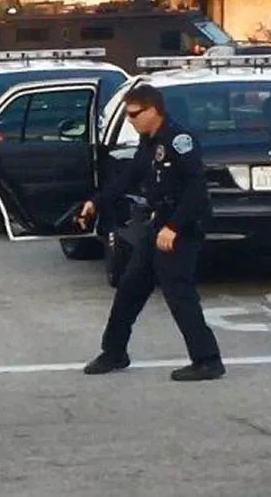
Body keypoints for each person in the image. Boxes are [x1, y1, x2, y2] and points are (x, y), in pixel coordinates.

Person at [76, 84, 225, 382]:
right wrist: (96, 201)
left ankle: (207, 359)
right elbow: (130, 177)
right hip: (157, 225)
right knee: (130, 288)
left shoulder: (179, 140)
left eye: (134, 114)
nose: (130, 121)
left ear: (153, 109)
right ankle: (114, 351)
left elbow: (196, 189)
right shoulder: (148, 141)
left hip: (180, 228)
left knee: (179, 293)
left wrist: (174, 227)